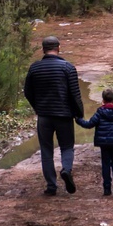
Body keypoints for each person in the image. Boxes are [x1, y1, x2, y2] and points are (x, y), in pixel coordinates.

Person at [23, 35, 84, 196]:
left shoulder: (34, 68)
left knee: (46, 150)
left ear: (43, 49)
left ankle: (51, 186)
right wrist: (79, 114)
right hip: (64, 115)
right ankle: (66, 169)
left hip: (44, 116)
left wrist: (38, 107)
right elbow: (75, 94)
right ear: (58, 48)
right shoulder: (67, 67)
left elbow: (27, 92)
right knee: (66, 146)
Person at [77, 87, 113, 196]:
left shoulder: (100, 112)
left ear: (103, 100)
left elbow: (89, 124)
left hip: (104, 144)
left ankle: (107, 189)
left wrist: (78, 120)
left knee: (105, 164)